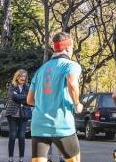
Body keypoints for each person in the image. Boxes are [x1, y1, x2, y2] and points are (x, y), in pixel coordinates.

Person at [28, 32, 83, 162]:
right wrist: (77, 104)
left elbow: (29, 100)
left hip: (39, 125)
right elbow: (71, 81)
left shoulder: (40, 70)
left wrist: (45, 101)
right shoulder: (71, 65)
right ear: (68, 48)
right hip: (61, 124)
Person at [4, 69, 31, 162]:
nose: (22, 78)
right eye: (21, 76)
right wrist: (24, 96)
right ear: (17, 77)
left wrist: (20, 97)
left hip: (23, 114)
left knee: (22, 136)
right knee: (12, 135)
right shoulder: (12, 86)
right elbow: (13, 97)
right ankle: (10, 158)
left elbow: (30, 99)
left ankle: (21, 158)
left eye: (24, 76)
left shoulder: (27, 87)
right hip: (12, 114)